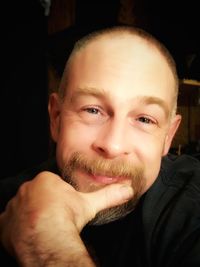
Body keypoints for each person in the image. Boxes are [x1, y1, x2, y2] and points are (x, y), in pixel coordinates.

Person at [0, 25, 199, 267]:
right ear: (56, 117)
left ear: (168, 137)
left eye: (145, 119)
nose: (113, 145)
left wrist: (46, 248)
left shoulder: (192, 208)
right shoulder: (7, 203)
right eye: (93, 110)